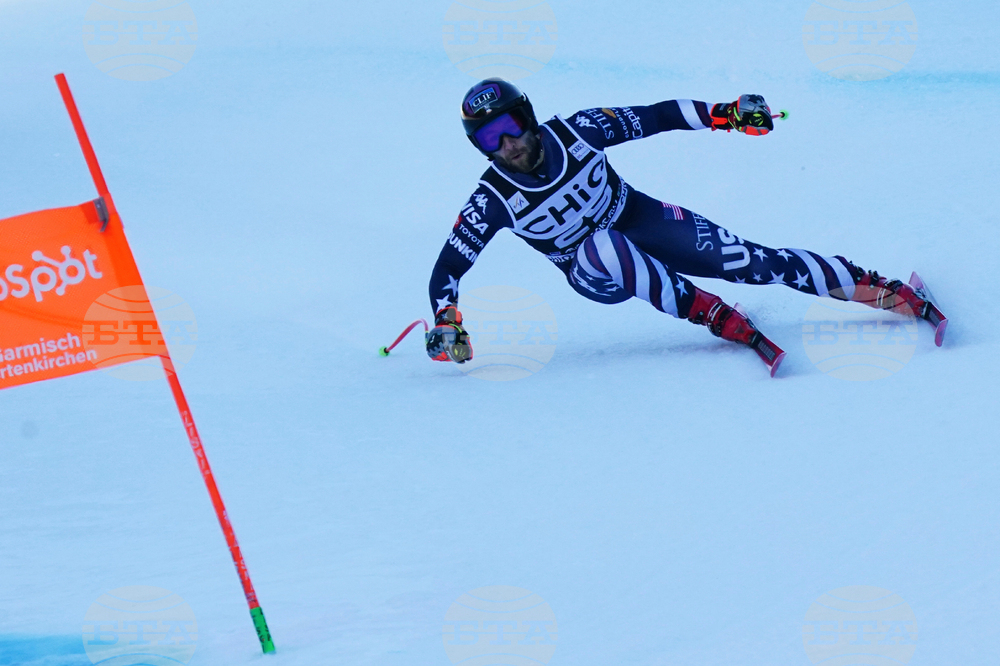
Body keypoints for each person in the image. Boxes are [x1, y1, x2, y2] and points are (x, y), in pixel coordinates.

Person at [425, 78, 943, 374]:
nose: (506, 145)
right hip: (592, 271)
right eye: (489, 139)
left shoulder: (577, 131)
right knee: (605, 246)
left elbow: (658, 115)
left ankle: (880, 291)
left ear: (527, 117)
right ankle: (713, 315)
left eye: (509, 128)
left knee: (746, 259)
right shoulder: (491, 198)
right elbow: (448, 266)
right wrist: (446, 318)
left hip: (641, 217)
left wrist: (728, 115)